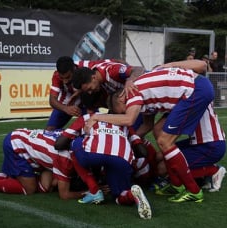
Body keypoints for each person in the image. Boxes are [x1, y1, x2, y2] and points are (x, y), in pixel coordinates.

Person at [75, 60, 214, 203]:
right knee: (158, 132)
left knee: (164, 141)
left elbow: (129, 120)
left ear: (121, 99)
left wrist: (97, 117)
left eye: (121, 111)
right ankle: (177, 185)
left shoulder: (130, 93)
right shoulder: (144, 99)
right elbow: (147, 125)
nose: (126, 111)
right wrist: (128, 140)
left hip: (196, 90)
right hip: (195, 88)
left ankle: (194, 191)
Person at [54, 112, 152, 219]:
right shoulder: (125, 121)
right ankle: (131, 195)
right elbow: (143, 153)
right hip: (122, 158)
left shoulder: (87, 117)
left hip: (92, 154)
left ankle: (94, 190)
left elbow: (59, 144)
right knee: (119, 196)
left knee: (75, 143)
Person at [0, 128, 85, 200]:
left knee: (45, 186)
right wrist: (88, 192)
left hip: (19, 138)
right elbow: (64, 195)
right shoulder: (65, 158)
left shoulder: (70, 134)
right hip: (17, 146)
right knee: (29, 189)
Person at [151, 104, 227, 194]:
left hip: (210, 144)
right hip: (198, 142)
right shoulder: (189, 95)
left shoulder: (194, 96)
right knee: (159, 156)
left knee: (163, 168)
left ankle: (213, 171)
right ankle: (203, 172)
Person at [46, 56, 115, 131]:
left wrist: (128, 77)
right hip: (67, 104)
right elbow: (52, 101)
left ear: (74, 69)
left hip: (88, 103)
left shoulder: (88, 66)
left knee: (93, 129)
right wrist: (66, 108)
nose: (65, 81)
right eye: (62, 78)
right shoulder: (56, 75)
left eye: (68, 77)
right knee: (49, 130)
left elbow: (116, 62)